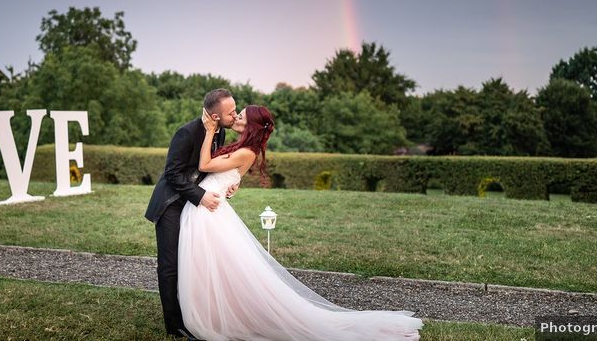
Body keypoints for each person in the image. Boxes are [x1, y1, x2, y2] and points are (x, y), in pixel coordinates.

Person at [177, 105, 424, 340]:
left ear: (251, 124)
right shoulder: (242, 147)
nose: (237, 118)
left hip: (209, 210)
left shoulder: (245, 152)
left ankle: (217, 317)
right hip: (208, 206)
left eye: (241, 115)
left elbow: (205, 164)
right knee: (214, 267)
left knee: (213, 265)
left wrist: (209, 131)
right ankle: (219, 313)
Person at [145, 89, 241, 338]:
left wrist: (228, 183)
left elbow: (208, 167)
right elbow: (172, 173)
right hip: (171, 204)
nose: (235, 114)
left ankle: (194, 313)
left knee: (192, 260)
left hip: (192, 204)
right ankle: (174, 324)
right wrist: (200, 196)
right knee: (170, 264)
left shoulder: (219, 132)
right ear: (215, 116)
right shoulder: (186, 132)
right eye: (231, 112)